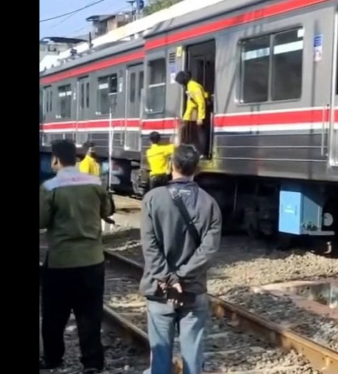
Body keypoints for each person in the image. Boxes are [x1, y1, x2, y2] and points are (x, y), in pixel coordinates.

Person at [140, 144, 222, 374]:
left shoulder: (152, 199)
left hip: (159, 290)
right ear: (197, 168)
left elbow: (150, 246)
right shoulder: (210, 204)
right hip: (193, 290)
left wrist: (168, 277)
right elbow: (208, 250)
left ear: (171, 165)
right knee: (193, 357)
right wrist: (182, 277)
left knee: (160, 356)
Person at [39, 139, 115, 374]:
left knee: (53, 317)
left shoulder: (49, 187)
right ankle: (92, 363)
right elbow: (108, 210)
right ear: (77, 158)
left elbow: (41, 221)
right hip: (92, 261)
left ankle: (53, 358)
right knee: (90, 315)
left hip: (61, 262)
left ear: (55, 159)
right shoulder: (94, 183)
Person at [175, 71, 209, 156]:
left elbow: (201, 102)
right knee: (196, 134)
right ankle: (197, 151)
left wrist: (200, 117)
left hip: (198, 114)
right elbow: (191, 103)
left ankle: (202, 152)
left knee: (201, 134)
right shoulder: (190, 87)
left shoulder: (194, 86)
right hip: (193, 115)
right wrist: (186, 117)